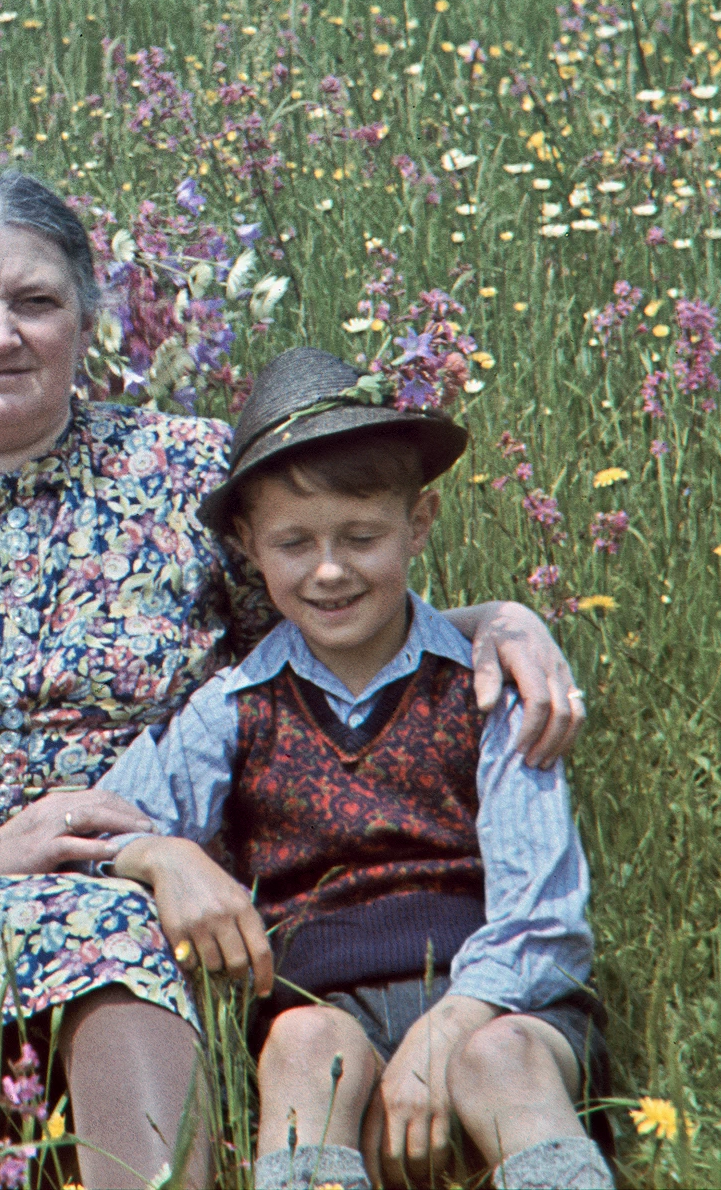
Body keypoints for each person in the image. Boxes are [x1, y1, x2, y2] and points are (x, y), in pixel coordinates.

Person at [0, 173, 584, 1190]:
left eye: (36, 302)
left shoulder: (190, 477)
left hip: (156, 883)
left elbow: (341, 629)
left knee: (117, 924)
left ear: (87, 320)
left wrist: (498, 622)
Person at [100, 349, 610, 1190]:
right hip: (320, 1005)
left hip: (496, 1002)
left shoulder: (486, 687)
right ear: (247, 546)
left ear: (418, 523)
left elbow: (544, 918)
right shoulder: (233, 709)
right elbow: (99, 825)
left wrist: (444, 1033)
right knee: (305, 1045)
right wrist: (162, 853)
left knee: (500, 1059)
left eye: (362, 537)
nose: (329, 569)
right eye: (293, 543)